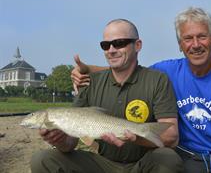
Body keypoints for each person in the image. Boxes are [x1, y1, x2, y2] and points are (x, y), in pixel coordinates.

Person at [71, 7, 211, 173]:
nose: (195, 44)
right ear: (180, 45)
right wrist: (87, 70)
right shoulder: (166, 71)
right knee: (165, 160)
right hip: (185, 156)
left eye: (202, 36)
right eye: (188, 38)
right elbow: (129, 69)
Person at [31, 19, 184, 173]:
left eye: (119, 43)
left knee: (168, 158)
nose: (111, 50)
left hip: (143, 163)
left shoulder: (157, 79)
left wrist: (135, 137)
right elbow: (70, 144)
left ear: (137, 45)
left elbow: (171, 137)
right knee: (42, 160)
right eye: (105, 45)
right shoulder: (89, 82)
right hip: (102, 163)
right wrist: (60, 140)